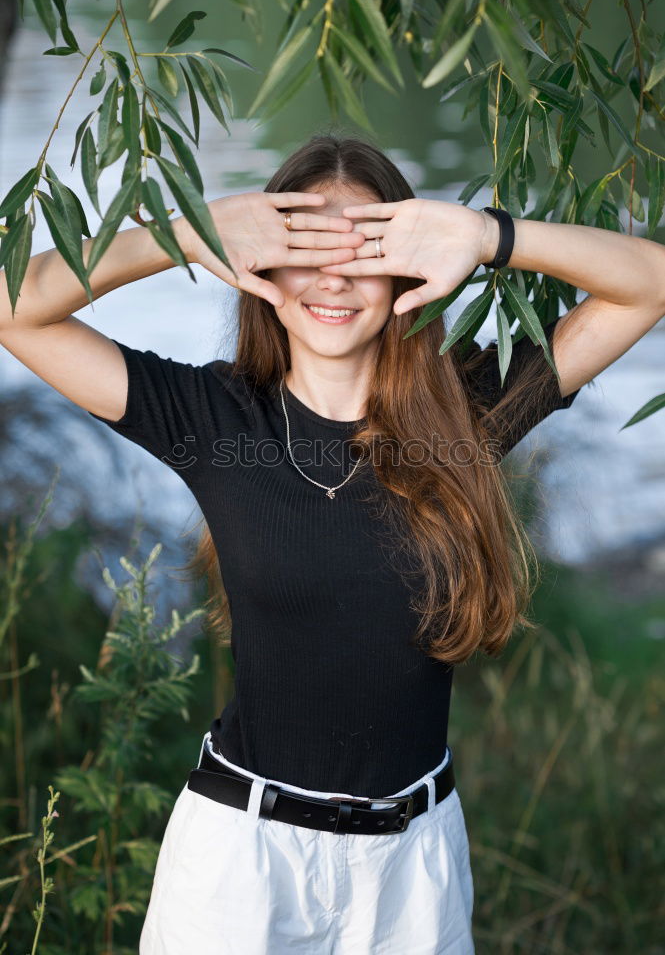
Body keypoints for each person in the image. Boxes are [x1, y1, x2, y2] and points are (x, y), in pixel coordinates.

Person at [2, 132, 664, 955]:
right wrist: (189, 232)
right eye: (300, 248)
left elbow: (650, 284)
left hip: (413, 870)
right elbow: (13, 307)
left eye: (364, 249)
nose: (333, 280)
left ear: (406, 275)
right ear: (261, 271)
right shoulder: (213, 421)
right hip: (242, 867)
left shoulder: (465, 413)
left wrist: (485, 236)